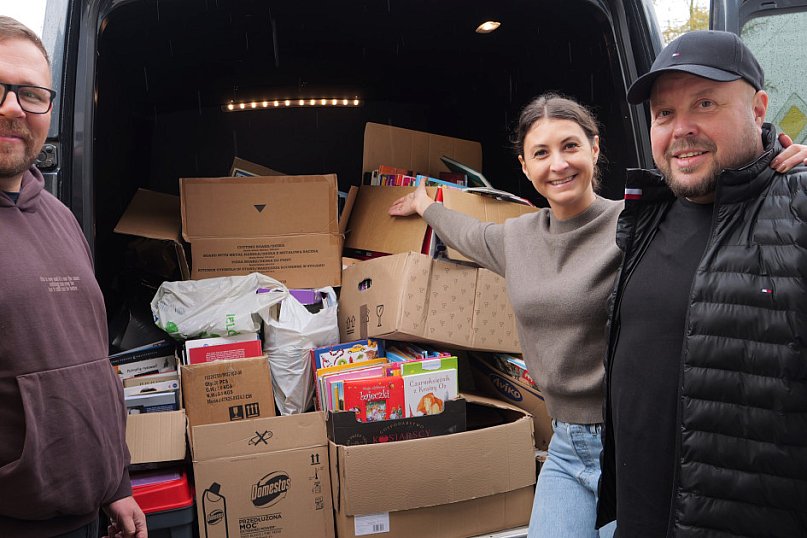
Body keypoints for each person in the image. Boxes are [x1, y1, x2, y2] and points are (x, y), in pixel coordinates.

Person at [597, 30, 807, 537]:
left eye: (705, 103)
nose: (681, 129)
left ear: (758, 108)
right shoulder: (644, 217)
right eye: (664, 113)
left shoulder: (799, 215)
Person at [0, 16, 147, 538]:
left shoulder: (60, 217)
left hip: (86, 514)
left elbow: (89, 364)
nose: (13, 108)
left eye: (31, 94)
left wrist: (116, 481)